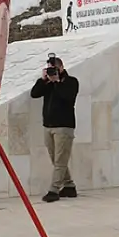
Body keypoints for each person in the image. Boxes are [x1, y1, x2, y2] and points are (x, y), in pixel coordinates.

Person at [30, 54, 80, 203]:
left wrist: (57, 82)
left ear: (61, 68)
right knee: (56, 158)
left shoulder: (71, 82)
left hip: (64, 127)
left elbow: (68, 96)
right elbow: (34, 94)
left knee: (60, 160)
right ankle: (69, 186)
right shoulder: (48, 84)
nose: (52, 72)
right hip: (48, 126)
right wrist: (43, 80)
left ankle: (54, 190)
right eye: (50, 70)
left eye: (55, 69)